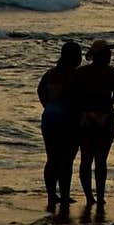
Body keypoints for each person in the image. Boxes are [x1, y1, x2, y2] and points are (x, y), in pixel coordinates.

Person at [73, 38, 114, 207]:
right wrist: (104, 102)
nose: (110, 55)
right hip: (105, 118)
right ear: (101, 55)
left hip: (86, 118)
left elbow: (74, 96)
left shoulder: (81, 72)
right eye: (107, 52)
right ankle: (99, 196)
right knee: (101, 160)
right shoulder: (112, 72)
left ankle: (89, 197)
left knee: (86, 158)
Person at [37, 40, 82, 213]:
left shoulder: (50, 73)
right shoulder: (75, 75)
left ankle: (51, 194)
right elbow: (79, 98)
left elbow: (40, 91)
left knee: (52, 158)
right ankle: (64, 195)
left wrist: (48, 106)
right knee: (67, 159)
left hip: (49, 116)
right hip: (68, 119)